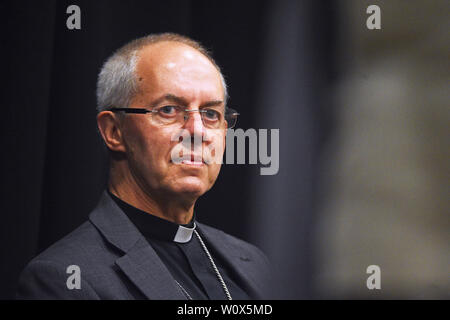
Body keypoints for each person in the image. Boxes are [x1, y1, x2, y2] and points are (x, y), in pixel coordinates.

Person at [16, 33, 270, 300]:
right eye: (169, 110)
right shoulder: (63, 278)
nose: (197, 131)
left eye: (210, 114)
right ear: (114, 131)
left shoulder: (254, 262)